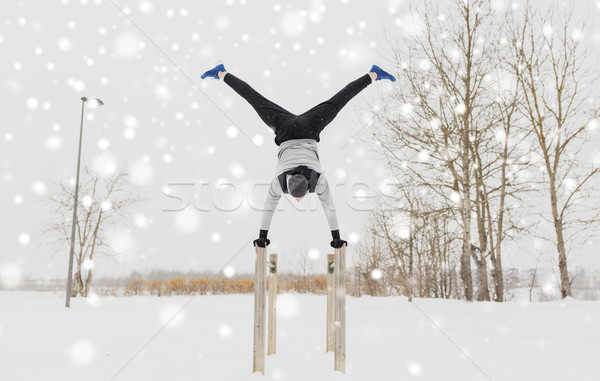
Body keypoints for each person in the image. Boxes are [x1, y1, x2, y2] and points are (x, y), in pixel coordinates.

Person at [200, 62, 396, 248]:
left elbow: (329, 207)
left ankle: (373, 74)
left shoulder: (317, 180)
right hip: (285, 129)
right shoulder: (281, 182)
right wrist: (262, 236)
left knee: (338, 101)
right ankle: (221, 72)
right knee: (255, 99)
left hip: (310, 127)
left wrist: (336, 237)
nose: (298, 200)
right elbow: (269, 206)